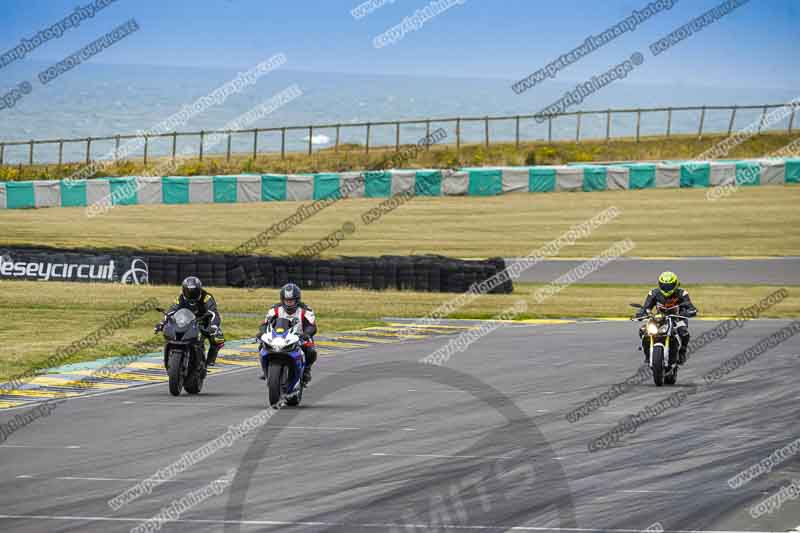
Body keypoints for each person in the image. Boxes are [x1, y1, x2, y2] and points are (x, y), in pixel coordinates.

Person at [155, 276, 225, 367]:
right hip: (186, 321)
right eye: (188, 292)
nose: (191, 295)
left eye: (194, 292)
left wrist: (214, 326)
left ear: (199, 289)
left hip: (203, 321)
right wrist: (161, 323)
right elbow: (171, 311)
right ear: (184, 290)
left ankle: (210, 360)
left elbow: (214, 313)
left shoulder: (206, 297)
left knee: (218, 338)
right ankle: (170, 357)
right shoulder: (180, 298)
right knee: (170, 332)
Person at [258, 283, 317, 384]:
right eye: (287, 300)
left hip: (300, 337)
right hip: (279, 336)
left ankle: (306, 370)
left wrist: (307, 334)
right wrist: (262, 332)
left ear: (297, 300)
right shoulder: (275, 309)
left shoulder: (305, 310)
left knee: (311, 350)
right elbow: (265, 323)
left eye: (291, 300)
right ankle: (266, 370)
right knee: (261, 346)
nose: (289, 303)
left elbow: (312, 325)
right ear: (282, 299)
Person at [635, 271, 697, 364]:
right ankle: (648, 355)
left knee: (684, 332)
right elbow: (646, 307)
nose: (666, 288)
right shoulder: (654, 293)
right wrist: (641, 313)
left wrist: (690, 312)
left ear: (676, 284)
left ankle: (682, 352)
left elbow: (690, 307)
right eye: (664, 286)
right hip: (659, 318)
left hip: (677, 318)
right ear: (659, 284)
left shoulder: (682, 293)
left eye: (669, 286)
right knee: (643, 330)